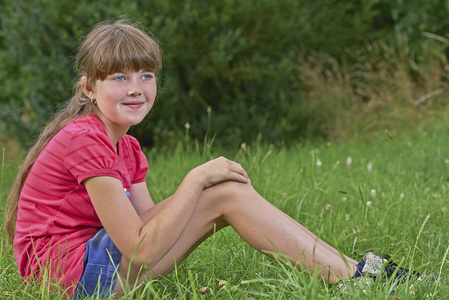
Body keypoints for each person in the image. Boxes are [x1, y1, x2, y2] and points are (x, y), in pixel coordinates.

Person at [4, 19, 431, 298]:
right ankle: (357, 281)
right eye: (119, 77)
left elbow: (149, 223)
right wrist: (196, 180)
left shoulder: (127, 147)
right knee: (223, 193)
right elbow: (139, 248)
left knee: (225, 191)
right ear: (88, 89)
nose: (136, 88)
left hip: (88, 269)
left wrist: (207, 187)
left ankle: (356, 273)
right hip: (67, 280)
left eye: (146, 76)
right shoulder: (84, 139)